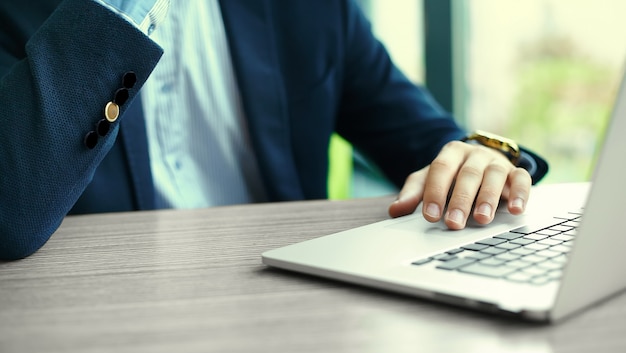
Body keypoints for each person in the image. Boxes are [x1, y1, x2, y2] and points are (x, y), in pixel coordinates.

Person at [0, 0, 547, 260]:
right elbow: (11, 217)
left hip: (285, 317)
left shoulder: (311, 11)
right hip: (97, 337)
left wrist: (484, 158)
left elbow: (431, 140)